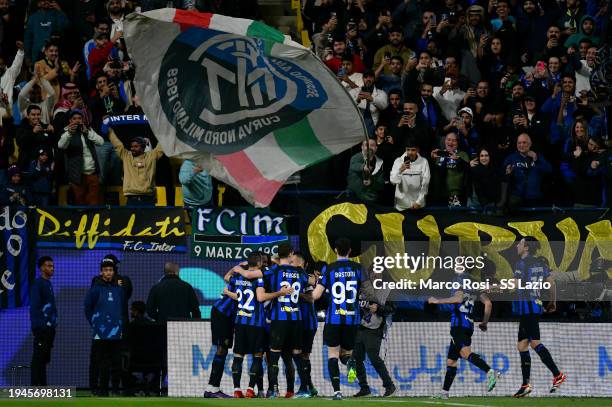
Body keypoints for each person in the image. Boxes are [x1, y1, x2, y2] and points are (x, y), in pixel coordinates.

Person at [428, 274, 500, 399]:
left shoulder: (457, 281)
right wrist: (484, 323)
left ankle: (490, 372)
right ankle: (444, 392)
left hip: (458, 326)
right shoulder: (474, 287)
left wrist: (437, 301)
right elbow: (488, 304)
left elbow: (458, 299)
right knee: (451, 361)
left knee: (466, 353)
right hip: (468, 326)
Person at [511, 237, 566, 397]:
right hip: (533, 307)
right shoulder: (541, 264)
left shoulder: (521, 263)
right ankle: (525, 384)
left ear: (526, 247)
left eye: (520, 243)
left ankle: (557, 374)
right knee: (522, 346)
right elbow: (552, 283)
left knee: (534, 343)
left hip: (528, 309)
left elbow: (513, 285)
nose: (517, 245)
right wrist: (553, 302)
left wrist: (492, 287)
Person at [311, 238, 364, 400]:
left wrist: (302, 293)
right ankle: (351, 367)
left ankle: (337, 391)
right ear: (350, 251)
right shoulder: (359, 268)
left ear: (335, 250)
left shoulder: (330, 269)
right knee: (347, 353)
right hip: (352, 320)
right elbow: (368, 292)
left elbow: (316, 295)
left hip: (334, 319)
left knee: (333, 354)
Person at [262, 243, 309, 398]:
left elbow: (261, 275)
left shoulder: (273, 271)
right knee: (296, 355)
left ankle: (273, 390)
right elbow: (310, 282)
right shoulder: (299, 272)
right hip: (296, 318)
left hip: (279, 318)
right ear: (290, 254)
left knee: (274, 355)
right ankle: (302, 390)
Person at [227, 252, 267, 398]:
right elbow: (260, 298)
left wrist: (235, 268)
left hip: (240, 322)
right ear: (259, 264)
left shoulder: (237, 277)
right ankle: (250, 389)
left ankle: (237, 389)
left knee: (238, 356)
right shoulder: (259, 278)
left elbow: (226, 278)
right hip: (256, 323)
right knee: (257, 356)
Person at [85, 257, 125, 396]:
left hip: (116, 331)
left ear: (114, 272)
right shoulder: (95, 289)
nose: (108, 273)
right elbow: (87, 308)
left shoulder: (119, 289)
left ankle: (115, 389)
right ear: (101, 272)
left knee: (116, 362)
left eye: (110, 270)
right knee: (101, 362)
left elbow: (121, 308)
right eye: (105, 270)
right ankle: (101, 390)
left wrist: (119, 324)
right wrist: (95, 323)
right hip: (100, 333)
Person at [57, 110, 104, 205]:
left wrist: (88, 132)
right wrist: (69, 133)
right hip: (77, 175)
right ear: (70, 120)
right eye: (74, 119)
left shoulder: (88, 129)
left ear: (82, 119)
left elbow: (101, 142)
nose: (77, 120)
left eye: (79, 118)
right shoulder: (66, 131)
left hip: (92, 173)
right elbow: (61, 145)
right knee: (79, 203)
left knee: (94, 202)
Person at [352, 296, 396, 397]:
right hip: (360, 327)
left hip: (375, 330)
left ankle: (389, 385)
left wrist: (379, 308)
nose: (373, 278)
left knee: (374, 357)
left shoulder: (384, 291)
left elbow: (392, 309)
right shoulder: (362, 288)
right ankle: (364, 388)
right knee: (356, 359)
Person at [109, 128, 164, 206]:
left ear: (143, 148)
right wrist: (109, 131)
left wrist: (169, 129)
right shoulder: (126, 156)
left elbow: (162, 145)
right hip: (132, 199)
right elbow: (117, 145)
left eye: (136, 146)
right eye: (131, 146)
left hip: (148, 198)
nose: (132, 149)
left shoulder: (152, 156)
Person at [292, 252, 318, 398]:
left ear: (300, 263)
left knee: (302, 354)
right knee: (300, 355)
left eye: (292, 262)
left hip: (307, 322)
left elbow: (311, 298)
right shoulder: (293, 277)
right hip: (298, 322)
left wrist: (295, 294)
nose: (290, 264)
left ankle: (304, 388)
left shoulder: (306, 278)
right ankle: (310, 386)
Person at [502, 133, 552, 209]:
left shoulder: (538, 156)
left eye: (524, 142)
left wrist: (535, 159)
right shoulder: (511, 158)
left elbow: (549, 170)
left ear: (530, 144)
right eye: (519, 143)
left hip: (535, 197)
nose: (521, 145)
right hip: (517, 197)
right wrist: (507, 173)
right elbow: (503, 177)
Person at [30, 256, 57, 386]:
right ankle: (36, 388)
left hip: (50, 328)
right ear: (41, 268)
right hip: (42, 328)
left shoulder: (49, 284)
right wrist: (41, 325)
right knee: (38, 358)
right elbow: (35, 306)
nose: (51, 268)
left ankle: (43, 387)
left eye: (52, 266)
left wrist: (53, 324)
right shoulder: (38, 283)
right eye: (48, 266)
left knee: (44, 358)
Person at [389, 138, 430, 211]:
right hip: (401, 205)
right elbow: (393, 181)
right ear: (405, 149)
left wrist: (418, 202)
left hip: (418, 205)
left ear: (417, 150)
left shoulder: (424, 162)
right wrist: (400, 170)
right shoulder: (398, 161)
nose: (410, 152)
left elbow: (425, 184)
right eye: (408, 149)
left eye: (413, 150)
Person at [349, 70, 388, 136]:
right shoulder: (354, 91)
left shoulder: (381, 92)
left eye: (370, 77)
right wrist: (357, 100)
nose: (368, 79)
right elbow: (347, 107)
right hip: (357, 126)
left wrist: (372, 99)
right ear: (362, 79)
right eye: (366, 77)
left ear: (374, 78)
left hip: (373, 127)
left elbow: (384, 106)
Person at [347, 139, 384, 204]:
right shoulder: (356, 157)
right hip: (354, 197)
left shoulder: (380, 162)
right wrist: (363, 167)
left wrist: (371, 182)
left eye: (372, 145)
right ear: (362, 147)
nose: (369, 147)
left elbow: (381, 182)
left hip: (372, 198)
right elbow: (353, 166)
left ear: (376, 148)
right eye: (366, 145)